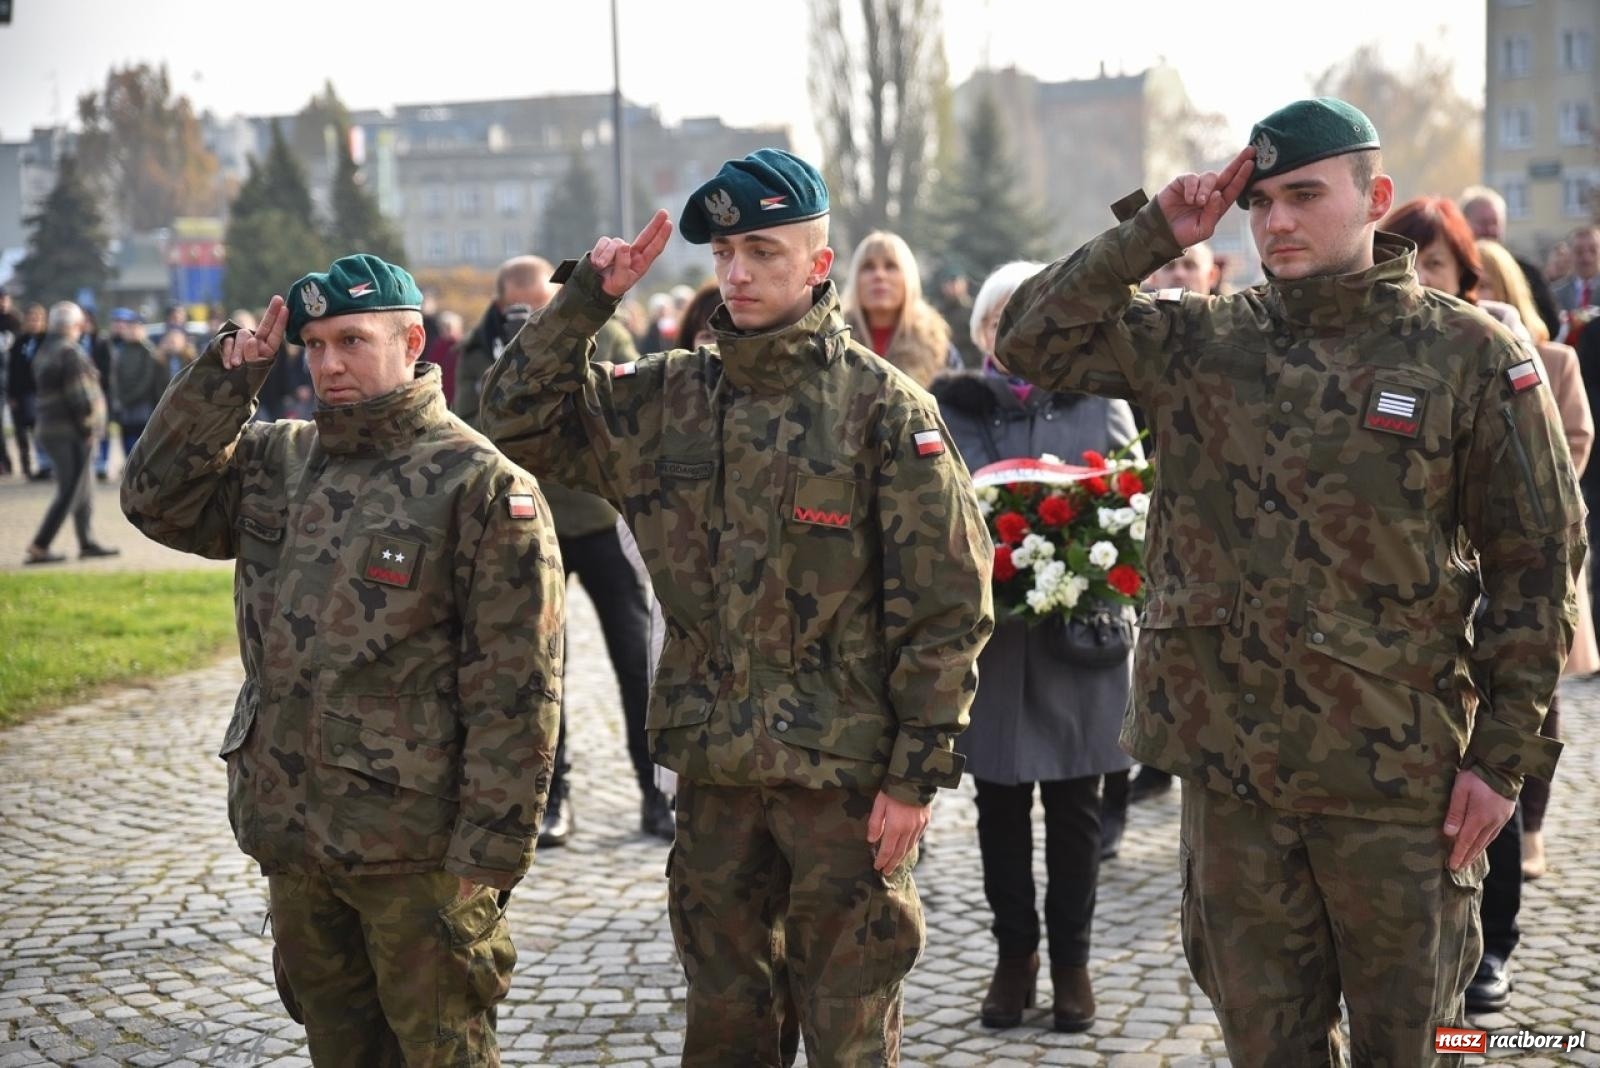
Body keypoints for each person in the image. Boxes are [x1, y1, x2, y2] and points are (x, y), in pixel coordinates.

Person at [998, 97, 1584, 1065]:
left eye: (1303, 196)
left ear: (1374, 197)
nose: (1274, 222)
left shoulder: (1468, 354)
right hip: (1237, 785)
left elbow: (1536, 562)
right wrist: (1156, 232)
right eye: (1258, 201)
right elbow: (1027, 338)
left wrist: (1500, 760)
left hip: (1397, 786)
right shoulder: (1204, 344)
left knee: (1419, 1046)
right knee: (1265, 1050)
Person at [480, 148, 994, 1065]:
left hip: (845, 785)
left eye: (762, 250)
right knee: (725, 1030)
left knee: (850, 1033)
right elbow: (513, 420)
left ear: (818, 263)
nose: (738, 273)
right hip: (716, 780)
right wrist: (586, 303)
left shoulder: (883, 412)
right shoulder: (671, 396)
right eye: (723, 254)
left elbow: (948, 606)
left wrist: (916, 775)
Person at [120, 254, 565, 1066]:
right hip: (296, 840)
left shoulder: (480, 486)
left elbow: (519, 691)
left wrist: (488, 862)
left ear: (411, 340)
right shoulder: (275, 461)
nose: (329, 364)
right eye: (315, 345)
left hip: (418, 858)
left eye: (352, 341)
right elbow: (154, 498)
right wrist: (230, 379)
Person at [932, 259, 1137, 1033]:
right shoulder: (953, 410)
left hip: (1081, 639)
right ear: (982, 331)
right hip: (993, 646)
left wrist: (1092, 558)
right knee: (1000, 806)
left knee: (1078, 810)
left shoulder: (1099, 403)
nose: (1013, 334)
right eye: (999, 319)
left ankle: (1073, 964)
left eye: (1031, 318)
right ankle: (1014, 957)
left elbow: (1131, 506)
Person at [458, 254, 660, 846]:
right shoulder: (482, 348)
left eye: (542, 309)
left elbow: (623, 404)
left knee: (634, 658)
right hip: (528, 524)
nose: (532, 320)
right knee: (542, 668)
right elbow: (476, 425)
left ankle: (656, 792)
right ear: (500, 305)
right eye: (519, 310)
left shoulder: (604, 328)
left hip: (599, 516)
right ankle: (555, 798)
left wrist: (565, 345)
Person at [24, 302, 118, 564]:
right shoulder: (70, 352)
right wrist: (89, 427)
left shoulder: (45, 350)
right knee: (71, 490)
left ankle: (86, 542)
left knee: (83, 487)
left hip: (52, 428)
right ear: (74, 326)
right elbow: (81, 396)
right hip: (70, 432)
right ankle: (40, 545)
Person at [841, 230, 962, 389]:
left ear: (909, 277)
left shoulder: (939, 350)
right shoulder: (832, 342)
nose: (879, 275)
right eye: (868, 267)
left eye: (891, 266)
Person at [1459, 185, 1561, 341]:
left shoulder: (1527, 271)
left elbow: (1552, 325)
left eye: (1495, 223)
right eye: (1483, 222)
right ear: (1463, 224)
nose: (1490, 230)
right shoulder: (1454, 271)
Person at [109, 309, 168, 461]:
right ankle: (130, 464)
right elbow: (115, 376)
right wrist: (119, 397)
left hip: (143, 402)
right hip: (125, 402)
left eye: (136, 327)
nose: (133, 331)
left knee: (142, 436)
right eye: (130, 327)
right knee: (126, 434)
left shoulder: (148, 351)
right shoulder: (120, 351)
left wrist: (130, 397)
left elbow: (147, 379)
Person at [9, 302, 50, 480]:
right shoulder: (19, 342)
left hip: (40, 394)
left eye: (37, 319)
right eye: (31, 319)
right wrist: (12, 394)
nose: (34, 323)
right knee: (21, 432)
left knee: (40, 431)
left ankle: (45, 465)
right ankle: (26, 466)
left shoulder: (47, 341)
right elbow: (12, 369)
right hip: (21, 394)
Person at [425, 309, 463, 409]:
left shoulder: (462, 347)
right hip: (440, 392)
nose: (446, 330)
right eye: (444, 327)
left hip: (457, 392)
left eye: (449, 327)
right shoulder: (437, 346)